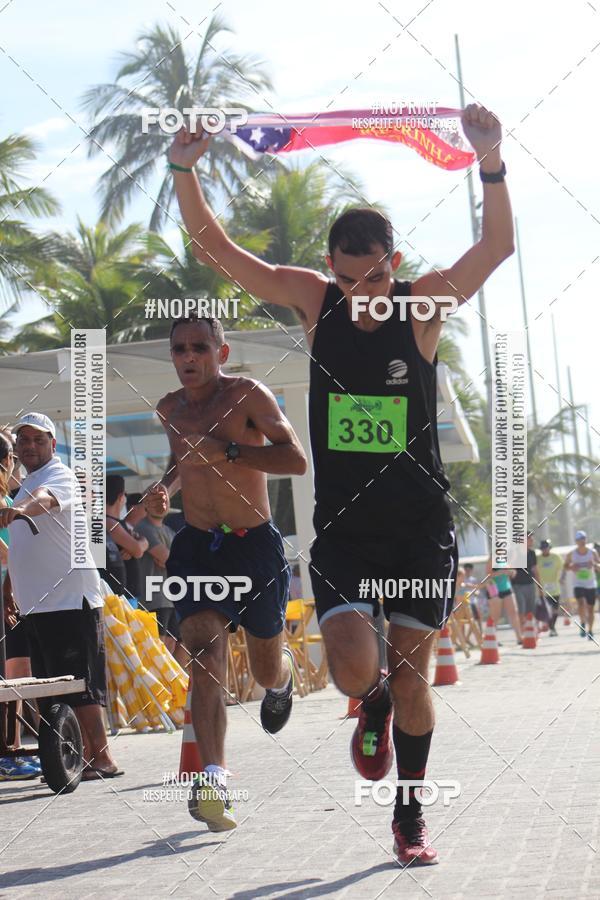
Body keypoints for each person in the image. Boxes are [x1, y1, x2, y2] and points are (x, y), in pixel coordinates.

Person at [168, 101, 513, 863]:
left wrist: (489, 160)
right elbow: (216, 249)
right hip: (347, 530)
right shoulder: (314, 301)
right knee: (358, 671)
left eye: (377, 276)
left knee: (417, 679)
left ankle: (409, 816)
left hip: (419, 529)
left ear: (395, 261)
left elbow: (496, 247)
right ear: (330, 268)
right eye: (349, 279)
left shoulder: (421, 306)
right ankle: (372, 702)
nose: (364, 293)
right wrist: (183, 168)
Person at [144, 316, 307, 831]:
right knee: (203, 654)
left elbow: (296, 459)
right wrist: (164, 490)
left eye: (199, 347)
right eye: (179, 349)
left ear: (222, 351)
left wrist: (231, 451)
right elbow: (182, 462)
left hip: (253, 545)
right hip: (198, 547)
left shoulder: (248, 396)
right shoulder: (169, 408)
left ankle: (281, 677)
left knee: (262, 670)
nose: (189, 357)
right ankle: (213, 781)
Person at [0, 413, 121, 779]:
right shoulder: (25, 483)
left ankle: (102, 758)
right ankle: (71, 759)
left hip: (69, 601)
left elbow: (46, 501)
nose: (30, 446)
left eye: (39, 440)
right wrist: (9, 588)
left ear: (53, 445)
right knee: (53, 688)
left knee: (79, 684)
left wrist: (20, 509)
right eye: (24, 440)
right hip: (38, 605)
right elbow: (24, 545)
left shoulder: (59, 476)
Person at [135, 498, 183, 662]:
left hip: (171, 599)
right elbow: (168, 558)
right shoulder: (143, 528)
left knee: (171, 649)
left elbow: (182, 562)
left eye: (165, 499)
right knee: (156, 652)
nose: (162, 503)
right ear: (146, 504)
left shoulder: (169, 531)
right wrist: (172, 561)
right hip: (153, 598)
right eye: (156, 499)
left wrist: (173, 562)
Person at [101, 475, 148, 602]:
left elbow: (140, 544)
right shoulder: (109, 522)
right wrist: (138, 544)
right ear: (121, 496)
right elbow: (138, 550)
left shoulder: (118, 523)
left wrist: (139, 543)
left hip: (128, 594)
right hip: (122, 597)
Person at [562, 530, 599, 640]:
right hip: (578, 583)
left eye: (583, 539)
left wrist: (594, 564)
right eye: (579, 539)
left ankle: (590, 630)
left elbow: (599, 566)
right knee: (581, 603)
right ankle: (582, 623)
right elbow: (565, 566)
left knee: (591, 608)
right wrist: (571, 567)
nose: (582, 541)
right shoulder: (571, 554)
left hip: (590, 584)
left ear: (586, 539)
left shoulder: (592, 552)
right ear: (576, 541)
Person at [485, 561, 522, 645]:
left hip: (507, 588)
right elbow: (488, 576)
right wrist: (501, 572)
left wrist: (512, 572)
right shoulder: (491, 560)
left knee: (514, 612)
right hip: (494, 590)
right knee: (495, 616)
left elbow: (511, 572)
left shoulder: (505, 560)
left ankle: (519, 637)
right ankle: (492, 638)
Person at [511, 534, 540, 628]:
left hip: (530, 584)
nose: (532, 541)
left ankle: (530, 629)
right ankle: (522, 630)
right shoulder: (515, 552)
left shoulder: (532, 553)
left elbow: (535, 569)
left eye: (532, 539)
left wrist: (539, 586)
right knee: (521, 608)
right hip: (517, 585)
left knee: (531, 609)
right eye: (530, 539)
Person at [537, 539, 563, 636]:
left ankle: (552, 627)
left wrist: (561, 577)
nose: (545, 550)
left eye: (546, 548)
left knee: (555, 609)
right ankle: (552, 628)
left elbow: (562, 568)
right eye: (543, 548)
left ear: (549, 548)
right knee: (547, 610)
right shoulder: (538, 559)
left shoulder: (556, 557)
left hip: (555, 587)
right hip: (544, 588)